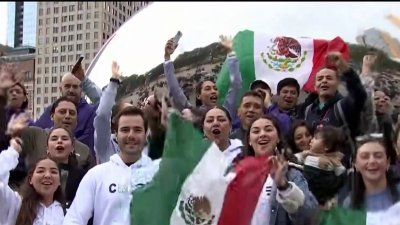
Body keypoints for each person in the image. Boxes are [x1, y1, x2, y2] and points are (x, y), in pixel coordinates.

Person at [63, 107, 158, 225]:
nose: (131, 135)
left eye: (137, 130)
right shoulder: (97, 175)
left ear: (146, 134)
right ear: (116, 135)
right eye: (125, 130)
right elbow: (74, 218)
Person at [239, 115, 317, 225]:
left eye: (268, 129)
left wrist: (283, 186)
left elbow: (310, 218)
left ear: (278, 138)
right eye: (256, 131)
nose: (262, 134)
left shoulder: (291, 174)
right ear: (250, 141)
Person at [302, 52, 367, 168]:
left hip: (341, 172)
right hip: (315, 170)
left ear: (337, 83)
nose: (324, 81)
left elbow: (360, 95)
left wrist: (345, 70)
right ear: (315, 86)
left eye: (329, 78)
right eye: (320, 79)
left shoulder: (344, 106)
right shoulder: (308, 111)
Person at [163, 35, 242, 127]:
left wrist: (231, 52)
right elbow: (175, 89)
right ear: (198, 95)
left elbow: (236, 83)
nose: (213, 91)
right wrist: (167, 57)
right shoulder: (192, 113)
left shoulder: (227, 110)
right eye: (207, 89)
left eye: (215, 88)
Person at [0, 132, 65, 224]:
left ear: (59, 181)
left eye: (53, 172)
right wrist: (12, 152)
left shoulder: (68, 213)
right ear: (30, 179)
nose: (47, 175)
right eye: (41, 171)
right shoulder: (15, 203)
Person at [20, 97, 94, 175]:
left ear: (77, 120)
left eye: (72, 113)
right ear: (52, 116)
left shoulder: (85, 151)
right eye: (62, 112)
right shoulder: (33, 134)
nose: (67, 116)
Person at [34, 72, 99, 155]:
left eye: (75, 87)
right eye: (67, 86)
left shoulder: (91, 112)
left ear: (81, 89)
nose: (71, 90)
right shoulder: (50, 110)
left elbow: (88, 141)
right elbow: (36, 135)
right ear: (60, 88)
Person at [344, 128, 400, 211]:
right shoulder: (350, 204)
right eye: (364, 156)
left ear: (388, 162)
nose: (372, 161)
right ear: (355, 164)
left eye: (378, 156)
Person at [295, 126, 347, 206]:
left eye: (315, 138)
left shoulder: (332, 162)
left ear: (327, 146)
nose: (311, 140)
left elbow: (338, 178)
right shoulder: (308, 155)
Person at [46, 127, 88, 208]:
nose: (59, 141)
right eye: (54, 139)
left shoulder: (83, 176)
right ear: (47, 148)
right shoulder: (37, 173)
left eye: (64, 139)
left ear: (72, 147)